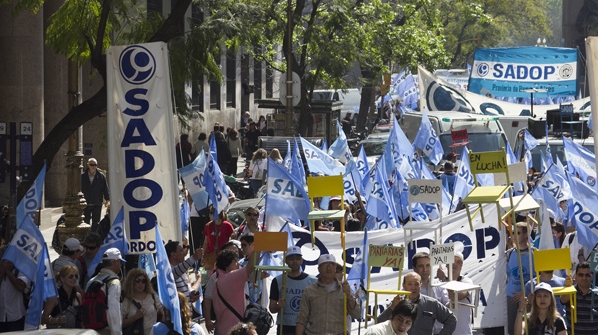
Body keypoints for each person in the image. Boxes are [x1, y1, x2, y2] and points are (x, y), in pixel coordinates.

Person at [295, 254, 361, 335]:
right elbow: (302, 318)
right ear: (319, 269)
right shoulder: (309, 291)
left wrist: (349, 295)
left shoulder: (345, 290)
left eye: (332, 265)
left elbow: (356, 314)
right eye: (325, 265)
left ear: (335, 268)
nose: (329, 268)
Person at [378, 272, 456, 335]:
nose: (413, 287)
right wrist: (392, 308)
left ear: (420, 286)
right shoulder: (397, 303)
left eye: (416, 284)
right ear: (403, 286)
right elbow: (379, 322)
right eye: (409, 284)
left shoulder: (431, 303)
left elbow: (451, 319)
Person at [269, 246, 317, 335]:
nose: (295, 262)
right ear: (286, 260)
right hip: (285, 327)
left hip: (307, 327)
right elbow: (272, 308)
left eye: (298, 258)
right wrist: (278, 306)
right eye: (291, 259)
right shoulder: (278, 281)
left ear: (302, 260)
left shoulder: (313, 281)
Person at [213, 248, 256, 335]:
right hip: (235, 330)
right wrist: (258, 247)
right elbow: (251, 266)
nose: (238, 264)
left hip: (222, 329)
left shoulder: (217, 282)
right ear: (227, 265)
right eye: (235, 261)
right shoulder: (231, 277)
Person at [203, 242, 242, 334]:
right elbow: (208, 299)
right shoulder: (215, 276)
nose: (233, 255)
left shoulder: (243, 272)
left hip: (242, 323)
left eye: (236, 252)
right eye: (230, 252)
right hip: (223, 325)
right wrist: (207, 320)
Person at [86, 248, 126, 335]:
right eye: (120, 262)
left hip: (89, 330)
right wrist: (117, 333)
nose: (120, 265)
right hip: (106, 329)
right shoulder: (114, 282)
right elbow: (113, 310)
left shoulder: (91, 281)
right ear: (116, 262)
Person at [506, 222, 534, 335]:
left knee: (528, 328)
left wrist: (524, 292)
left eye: (517, 233)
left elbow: (539, 277)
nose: (514, 236)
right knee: (512, 330)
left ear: (526, 234)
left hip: (527, 298)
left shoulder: (534, 253)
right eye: (513, 233)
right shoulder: (509, 253)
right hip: (510, 298)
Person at [436, 251, 474, 335]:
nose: (455, 264)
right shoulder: (437, 284)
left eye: (458, 262)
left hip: (463, 332)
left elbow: (458, 295)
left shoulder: (466, 281)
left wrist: (444, 280)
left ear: (461, 266)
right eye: (452, 261)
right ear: (446, 264)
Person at [122, 268, 164, 335]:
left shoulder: (153, 296)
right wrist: (136, 316)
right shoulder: (126, 300)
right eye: (137, 280)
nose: (140, 284)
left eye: (143, 281)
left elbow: (162, 314)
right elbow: (121, 324)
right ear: (131, 282)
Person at [560, 262, 598, 334]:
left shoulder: (597, 292)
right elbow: (563, 300)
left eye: (587, 275)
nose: (584, 278)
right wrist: (568, 286)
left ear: (592, 276)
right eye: (581, 275)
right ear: (576, 276)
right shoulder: (570, 292)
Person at [166, 241, 204, 309]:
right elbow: (174, 273)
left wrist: (191, 295)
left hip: (186, 314)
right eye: (181, 251)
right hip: (176, 316)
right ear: (173, 254)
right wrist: (193, 258)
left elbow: (187, 290)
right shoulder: (168, 272)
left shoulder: (183, 272)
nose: (184, 253)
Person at [0, 258, 31, 332]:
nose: (5, 263)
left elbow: (20, 286)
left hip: (17, 316)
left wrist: (8, 272)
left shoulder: (22, 269)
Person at [81, 157, 110, 227]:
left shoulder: (101, 176)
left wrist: (107, 199)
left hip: (97, 202)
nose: (94, 167)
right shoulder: (82, 176)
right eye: (92, 165)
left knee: (96, 222)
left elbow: (105, 189)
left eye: (95, 165)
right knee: (85, 221)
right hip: (86, 202)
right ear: (88, 165)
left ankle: (94, 235)